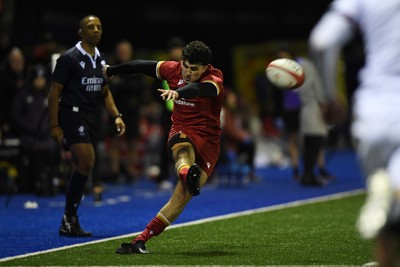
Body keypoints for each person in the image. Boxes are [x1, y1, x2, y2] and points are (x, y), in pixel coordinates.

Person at [103, 40, 225, 254]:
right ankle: (187, 172)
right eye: (185, 66)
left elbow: (202, 88)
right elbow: (140, 65)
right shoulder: (172, 69)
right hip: (181, 128)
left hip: (209, 141)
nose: (187, 72)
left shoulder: (214, 77)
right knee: (182, 150)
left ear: (204, 68)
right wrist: (112, 70)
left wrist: (180, 93)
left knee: (182, 196)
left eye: (194, 69)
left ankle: (144, 237)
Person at [309, 0, 400, 265]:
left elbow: (322, 41)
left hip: (375, 109)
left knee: (388, 234)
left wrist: (328, 97)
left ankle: (385, 191)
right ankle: (392, 189)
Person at [48, 15, 126, 237]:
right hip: (73, 115)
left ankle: (69, 218)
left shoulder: (102, 58)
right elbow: (54, 93)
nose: (96, 30)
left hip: (93, 116)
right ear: (80, 32)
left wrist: (117, 116)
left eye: (99, 27)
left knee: (85, 166)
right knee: (87, 161)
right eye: (90, 27)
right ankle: (69, 217)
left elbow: (105, 91)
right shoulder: (69, 58)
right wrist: (54, 125)